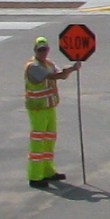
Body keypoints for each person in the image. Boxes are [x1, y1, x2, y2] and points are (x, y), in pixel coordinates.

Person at [24, 35, 79, 186]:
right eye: (40, 50)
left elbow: (61, 75)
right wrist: (70, 70)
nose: (43, 52)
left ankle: (48, 171)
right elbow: (55, 76)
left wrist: (72, 69)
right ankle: (35, 177)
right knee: (38, 143)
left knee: (49, 141)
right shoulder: (33, 66)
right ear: (35, 50)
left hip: (49, 107)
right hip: (37, 109)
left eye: (45, 49)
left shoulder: (49, 63)